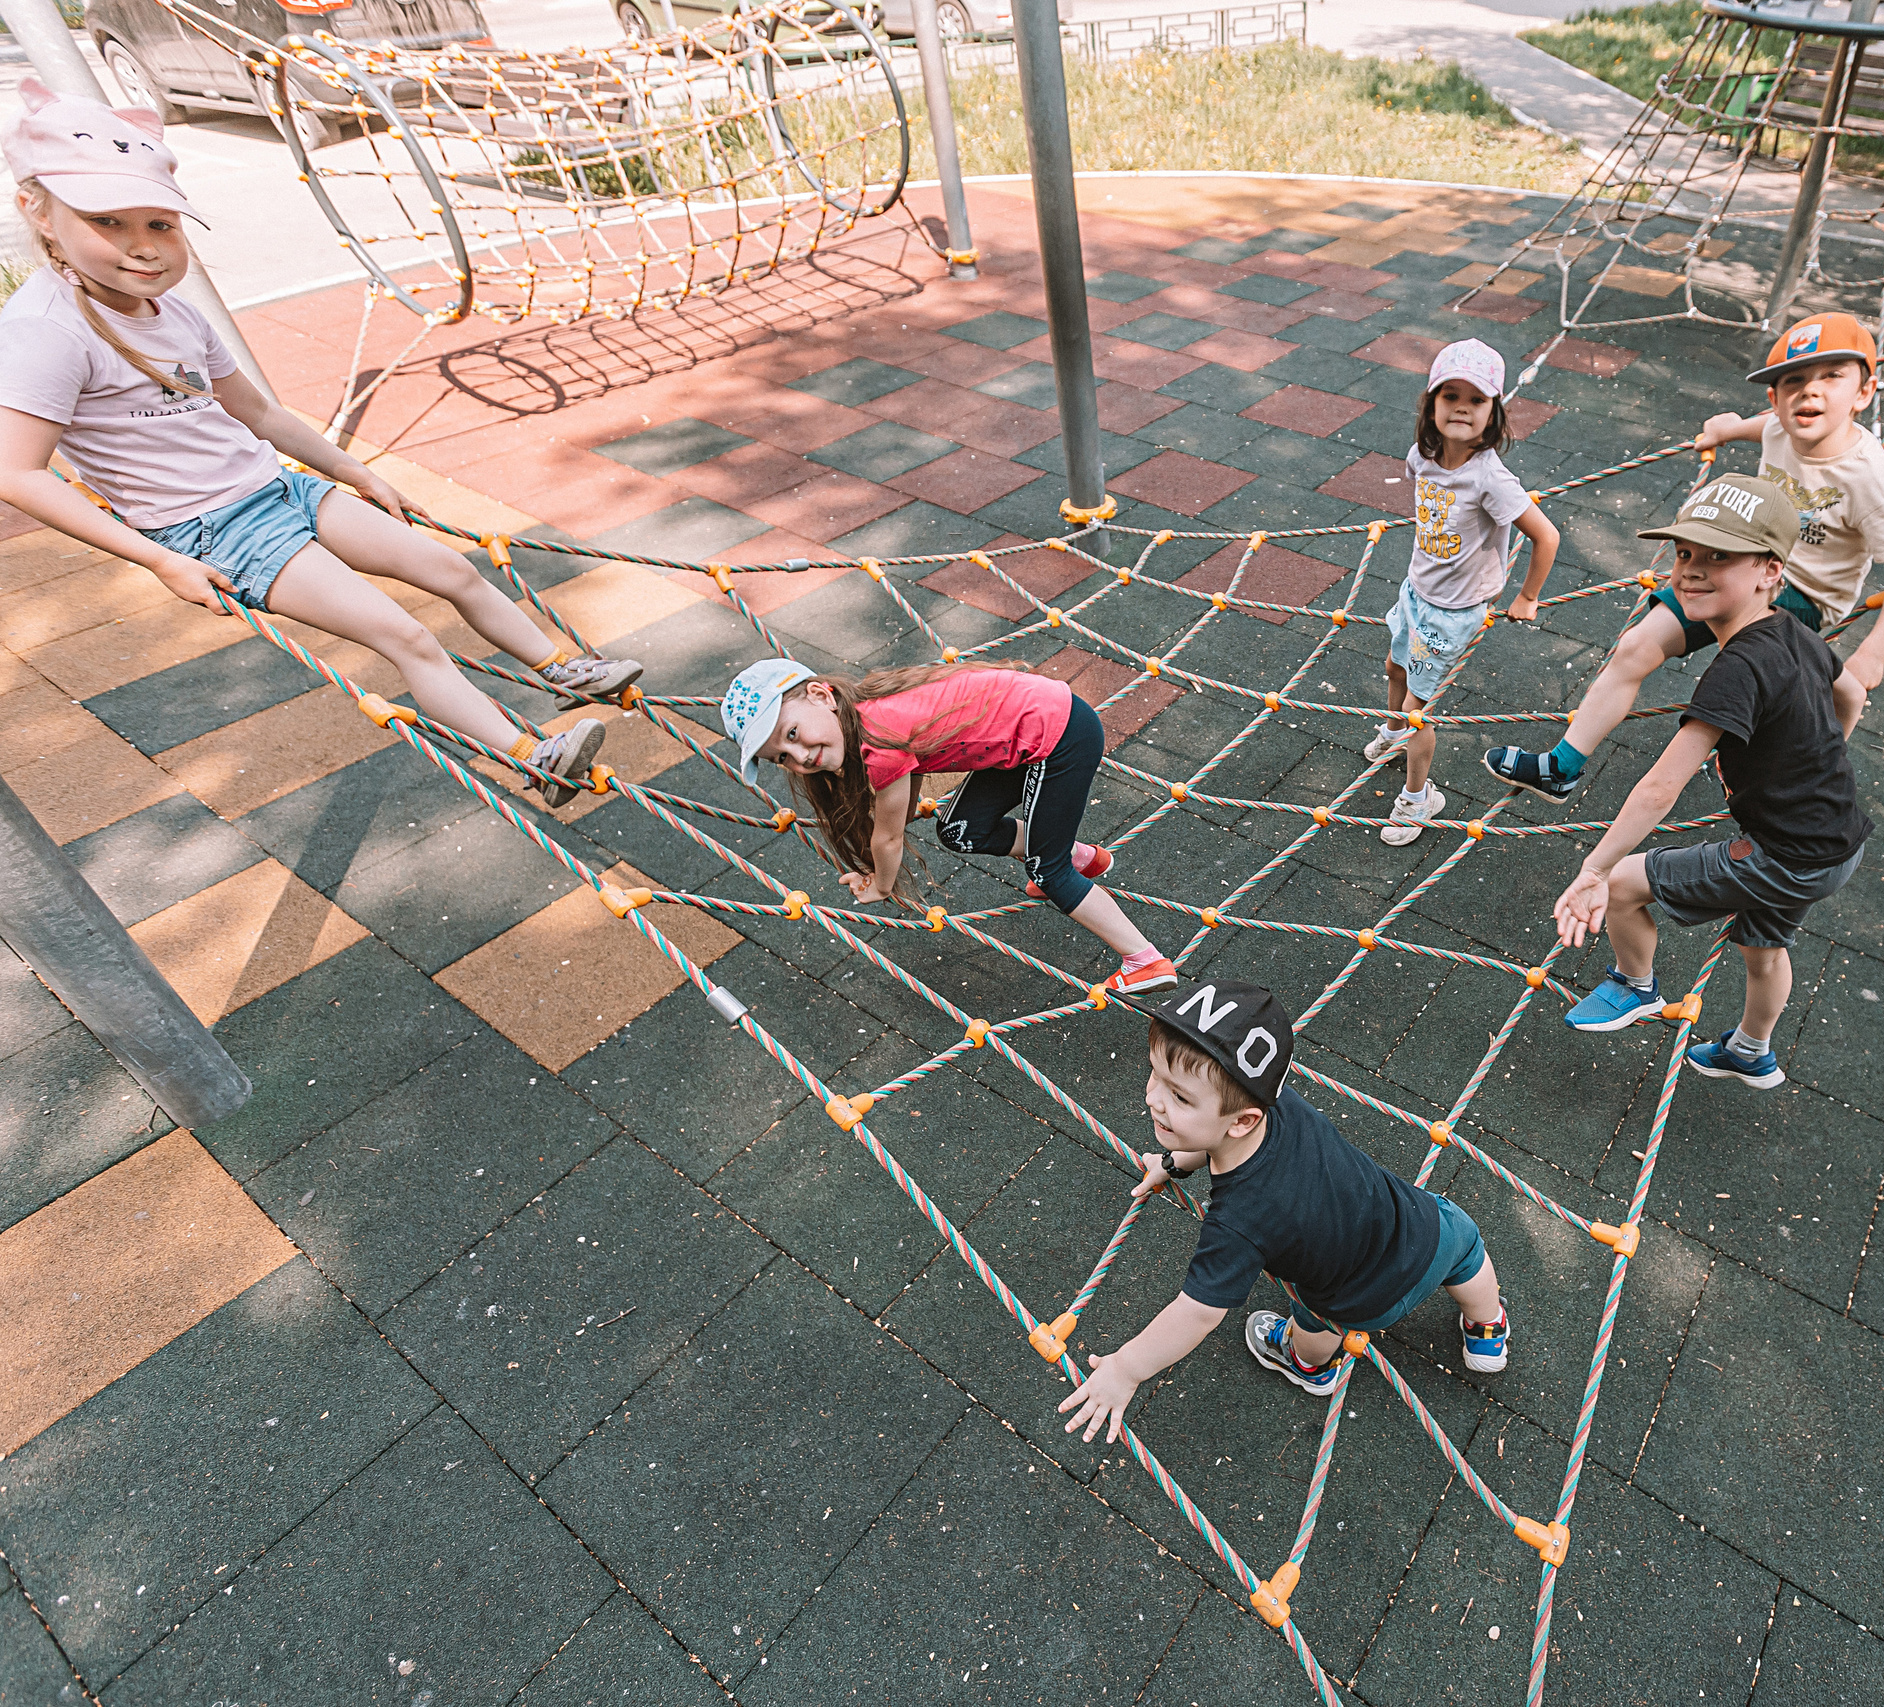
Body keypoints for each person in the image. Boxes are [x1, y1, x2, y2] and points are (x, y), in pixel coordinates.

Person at [0, 85, 639, 810]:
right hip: (212, 530)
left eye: (161, 223)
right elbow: (18, 473)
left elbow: (255, 411)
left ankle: (562, 668)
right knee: (404, 635)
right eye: (106, 222)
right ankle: (533, 758)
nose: (142, 245)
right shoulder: (47, 331)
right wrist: (159, 559)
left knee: (449, 569)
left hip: (279, 486)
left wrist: (347, 468)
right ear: (39, 214)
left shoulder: (172, 310)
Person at [1483, 311, 1884, 804]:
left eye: (1832, 376)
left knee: (1730, 685)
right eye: (1794, 382)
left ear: (1864, 393)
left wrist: (1874, 653)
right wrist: (1731, 429)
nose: (1810, 391)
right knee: (1636, 646)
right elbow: (1768, 428)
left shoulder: (1871, 480)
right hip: (1734, 562)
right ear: (1775, 398)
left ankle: (1734, 769)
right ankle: (1561, 768)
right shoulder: (1781, 427)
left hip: (1804, 596)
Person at [1057, 976, 1509, 1442]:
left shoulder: (1239, 1220)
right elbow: (1216, 1139)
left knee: (1315, 1318)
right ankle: (1487, 1328)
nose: (1153, 1098)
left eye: (1180, 1097)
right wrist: (1175, 1163)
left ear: (1243, 1119)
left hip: (1357, 1300)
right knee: (1467, 1250)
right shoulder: (1274, 1102)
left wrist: (1126, 1369)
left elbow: (1197, 1313)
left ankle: (1309, 1366)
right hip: (1425, 1231)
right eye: (1156, 1074)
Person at [1550, 475, 1870, 1091]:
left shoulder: (1738, 667)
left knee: (1622, 885)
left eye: (1719, 556)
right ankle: (1751, 1050)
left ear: (1771, 570)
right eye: (1684, 553)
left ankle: (1635, 985)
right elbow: (1851, 696)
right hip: (1839, 842)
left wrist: (1594, 868)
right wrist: (1817, 759)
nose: (1692, 570)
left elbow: (1659, 788)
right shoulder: (1795, 630)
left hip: (1785, 854)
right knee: (1763, 949)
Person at [725, 656, 1178, 994]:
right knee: (959, 828)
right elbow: (903, 804)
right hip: (1024, 734)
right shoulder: (865, 716)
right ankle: (1076, 856)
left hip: (1058, 736)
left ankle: (1145, 960)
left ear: (821, 696)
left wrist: (880, 885)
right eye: (781, 757)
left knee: (1047, 872)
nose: (799, 757)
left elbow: (889, 836)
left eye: (791, 734)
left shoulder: (876, 742)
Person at [1364, 338, 1561, 846]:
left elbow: (1546, 536)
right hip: (1416, 590)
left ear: (1494, 412)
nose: (1461, 408)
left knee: (1419, 711)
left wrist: (1528, 596)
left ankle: (1419, 798)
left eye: (1476, 400)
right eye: (1450, 396)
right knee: (1394, 667)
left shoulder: (1490, 478)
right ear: (1431, 403)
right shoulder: (1422, 457)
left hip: (1454, 612)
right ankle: (1392, 734)